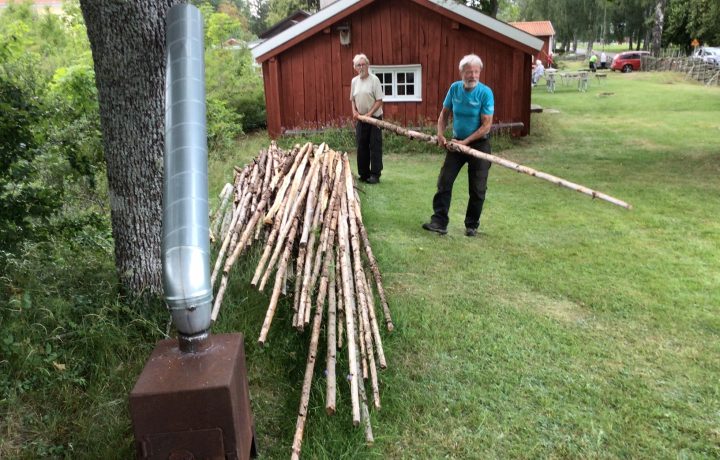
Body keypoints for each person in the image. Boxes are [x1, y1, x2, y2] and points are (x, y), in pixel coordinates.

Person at [422, 54, 494, 237]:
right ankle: (439, 222)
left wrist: (466, 142)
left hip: (479, 145)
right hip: (456, 143)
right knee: (444, 181)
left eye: (476, 72)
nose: (473, 76)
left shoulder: (485, 93)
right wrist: (440, 134)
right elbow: (444, 114)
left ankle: (471, 225)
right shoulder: (454, 89)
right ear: (461, 72)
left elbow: (486, 125)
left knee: (477, 188)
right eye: (469, 72)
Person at [350, 53, 384, 184]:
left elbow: (379, 100)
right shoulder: (354, 81)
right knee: (361, 145)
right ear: (355, 67)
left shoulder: (374, 80)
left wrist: (369, 114)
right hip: (361, 118)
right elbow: (352, 99)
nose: (361, 67)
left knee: (375, 146)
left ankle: (375, 175)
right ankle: (363, 173)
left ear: (368, 65)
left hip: (374, 118)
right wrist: (354, 112)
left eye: (363, 64)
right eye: (358, 65)